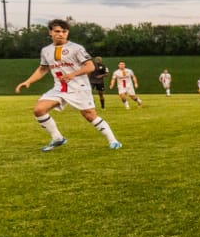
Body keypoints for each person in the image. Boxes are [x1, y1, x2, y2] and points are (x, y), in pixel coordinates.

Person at [15, 19, 122, 151]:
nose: (61, 34)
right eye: (57, 31)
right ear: (50, 32)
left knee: (89, 115)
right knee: (39, 110)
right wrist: (28, 81)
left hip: (79, 87)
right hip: (59, 87)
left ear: (68, 33)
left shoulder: (76, 48)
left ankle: (113, 140)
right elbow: (43, 68)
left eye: (64, 31)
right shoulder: (46, 50)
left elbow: (90, 66)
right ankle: (58, 138)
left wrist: (73, 74)